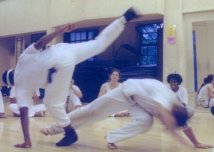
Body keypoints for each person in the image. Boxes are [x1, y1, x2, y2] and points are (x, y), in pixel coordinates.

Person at [13, 7, 139, 148]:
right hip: (63, 49)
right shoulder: (22, 58)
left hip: (58, 67)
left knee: (51, 102)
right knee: (99, 44)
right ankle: (123, 20)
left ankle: (70, 133)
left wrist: (27, 140)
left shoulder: (20, 87)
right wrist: (61, 29)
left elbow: (24, 113)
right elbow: (40, 43)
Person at [40, 78, 194, 150]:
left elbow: (184, 125)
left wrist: (195, 144)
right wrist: (175, 132)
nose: (166, 125)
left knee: (146, 122)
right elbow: (167, 119)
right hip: (125, 93)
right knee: (91, 112)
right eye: (169, 122)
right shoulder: (166, 101)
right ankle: (52, 128)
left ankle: (111, 138)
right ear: (172, 114)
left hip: (139, 103)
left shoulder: (178, 108)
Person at [167, 73, 212, 149]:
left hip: (180, 109)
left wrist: (177, 102)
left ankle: (195, 142)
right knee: (182, 121)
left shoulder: (183, 90)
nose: (173, 83)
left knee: (191, 110)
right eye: (171, 82)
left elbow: (184, 103)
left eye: (175, 82)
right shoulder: (166, 90)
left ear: (178, 82)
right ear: (169, 82)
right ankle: (196, 143)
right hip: (168, 111)